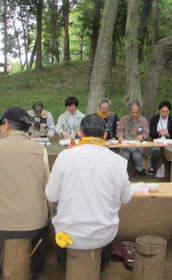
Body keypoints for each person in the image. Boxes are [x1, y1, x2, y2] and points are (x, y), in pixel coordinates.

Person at [46, 114, 132, 269]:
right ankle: (102, 261)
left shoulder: (65, 157)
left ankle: (65, 263)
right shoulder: (118, 162)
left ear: (81, 133)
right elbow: (126, 198)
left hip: (69, 234)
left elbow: (51, 195)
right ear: (105, 135)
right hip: (103, 234)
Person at [0, 107, 50, 278]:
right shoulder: (39, 149)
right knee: (44, 218)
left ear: (6, 124)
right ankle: (34, 267)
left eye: (0, 125)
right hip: (33, 225)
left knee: (3, 211)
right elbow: (47, 184)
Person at [117, 102, 150, 176]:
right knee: (124, 155)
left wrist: (142, 136)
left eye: (136, 112)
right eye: (132, 112)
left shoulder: (143, 120)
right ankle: (122, 172)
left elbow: (146, 132)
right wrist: (120, 136)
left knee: (137, 155)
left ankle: (140, 169)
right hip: (126, 143)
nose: (134, 114)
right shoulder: (123, 119)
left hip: (137, 144)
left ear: (139, 112)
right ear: (129, 111)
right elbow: (120, 130)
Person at [149, 101, 172, 174]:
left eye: (166, 112)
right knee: (155, 151)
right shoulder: (154, 119)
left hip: (168, 142)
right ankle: (153, 165)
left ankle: (171, 169)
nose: (164, 114)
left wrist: (168, 134)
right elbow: (151, 133)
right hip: (157, 141)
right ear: (159, 110)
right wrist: (159, 133)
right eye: (163, 111)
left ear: (169, 111)